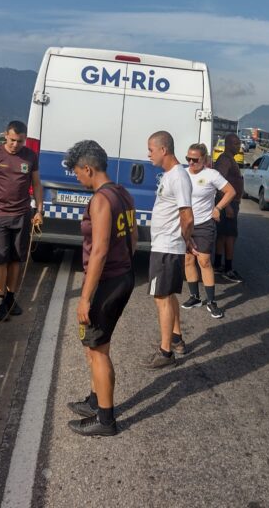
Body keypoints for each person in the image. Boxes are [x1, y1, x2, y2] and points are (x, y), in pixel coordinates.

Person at [64, 140, 137, 437]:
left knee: (98, 350)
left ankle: (105, 419)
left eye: (77, 173)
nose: (77, 178)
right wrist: (127, 268)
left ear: (88, 168)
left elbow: (100, 250)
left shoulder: (101, 200)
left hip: (106, 282)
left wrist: (84, 298)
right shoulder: (123, 193)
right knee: (94, 345)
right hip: (122, 277)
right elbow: (133, 234)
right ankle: (95, 401)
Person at [0, 121, 43, 321]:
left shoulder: (30, 156)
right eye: (13, 140)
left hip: (22, 215)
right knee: (0, 260)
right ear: (5, 135)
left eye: (20, 141)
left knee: (16, 259)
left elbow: (37, 184)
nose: (16, 145)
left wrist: (39, 210)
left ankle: (11, 299)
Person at [143, 130, 194, 368]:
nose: (149, 154)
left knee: (161, 297)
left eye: (151, 150)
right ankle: (176, 339)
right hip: (165, 245)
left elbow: (187, 215)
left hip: (167, 246)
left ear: (164, 150)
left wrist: (184, 240)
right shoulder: (170, 175)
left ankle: (166, 353)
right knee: (168, 295)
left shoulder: (178, 177)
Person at [181, 143, 236, 319]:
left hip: (204, 224)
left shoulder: (211, 175)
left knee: (203, 260)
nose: (191, 162)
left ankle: (211, 301)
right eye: (188, 158)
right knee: (188, 260)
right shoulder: (182, 174)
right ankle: (194, 297)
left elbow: (230, 191)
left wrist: (218, 208)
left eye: (195, 159)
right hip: (185, 224)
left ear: (204, 159)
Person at [213, 133, 244, 283]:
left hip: (230, 204)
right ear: (228, 144)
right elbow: (219, 184)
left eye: (239, 143)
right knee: (230, 236)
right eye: (236, 143)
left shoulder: (230, 159)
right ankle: (228, 269)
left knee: (223, 235)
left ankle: (218, 264)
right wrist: (227, 206)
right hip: (228, 204)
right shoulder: (225, 160)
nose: (239, 146)